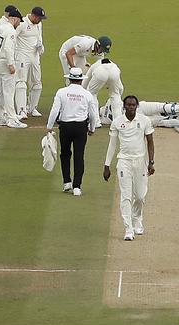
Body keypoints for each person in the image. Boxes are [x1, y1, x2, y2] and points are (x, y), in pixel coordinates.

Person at [103, 95, 155, 241]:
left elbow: (150, 142)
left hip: (140, 161)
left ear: (137, 106)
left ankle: (137, 218)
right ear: (124, 107)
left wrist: (151, 162)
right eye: (128, 105)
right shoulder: (117, 122)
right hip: (124, 161)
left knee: (140, 196)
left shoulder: (144, 120)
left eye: (133, 105)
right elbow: (112, 144)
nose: (131, 107)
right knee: (126, 196)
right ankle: (128, 228)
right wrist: (107, 165)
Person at [46, 67, 99, 197]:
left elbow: (54, 110)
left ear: (69, 79)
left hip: (65, 126)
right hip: (81, 127)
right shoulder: (87, 94)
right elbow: (93, 114)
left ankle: (66, 182)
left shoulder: (62, 92)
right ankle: (77, 186)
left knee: (65, 154)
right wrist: (92, 128)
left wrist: (49, 126)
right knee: (79, 155)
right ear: (81, 80)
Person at [0, 8, 26, 128]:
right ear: (14, 19)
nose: (19, 24)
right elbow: (8, 48)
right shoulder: (11, 31)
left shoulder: (0, 28)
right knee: (9, 92)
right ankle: (11, 119)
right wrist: (11, 64)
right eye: (19, 21)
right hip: (6, 63)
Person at [15, 6, 46, 120]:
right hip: (22, 55)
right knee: (21, 83)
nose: (40, 21)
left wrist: (40, 46)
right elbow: (13, 37)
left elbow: (39, 37)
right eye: (39, 18)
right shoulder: (22, 23)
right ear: (33, 16)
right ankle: (21, 110)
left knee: (37, 82)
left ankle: (32, 108)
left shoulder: (39, 24)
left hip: (35, 55)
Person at [100, 98, 179, 134]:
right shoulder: (110, 101)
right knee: (160, 107)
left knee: (160, 119)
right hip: (138, 109)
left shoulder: (104, 121)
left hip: (134, 118)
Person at [82, 57, 124, 128]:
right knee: (115, 95)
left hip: (100, 73)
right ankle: (118, 122)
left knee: (91, 94)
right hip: (114, 73)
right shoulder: (115, 66)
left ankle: (95, 122)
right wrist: (117, 95)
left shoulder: (93, 67)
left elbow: (84, 83)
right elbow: (120, 88)